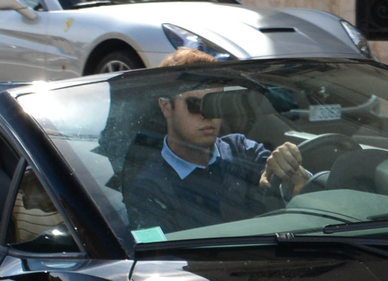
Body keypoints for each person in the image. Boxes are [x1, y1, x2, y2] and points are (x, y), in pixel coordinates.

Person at [121, 50, 310, 233]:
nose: (207, 116)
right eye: (195, 105)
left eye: (216, 103)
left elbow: (281, 187)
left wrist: (294, 176)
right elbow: (163, 260)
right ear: (166, 107)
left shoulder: (243, 150)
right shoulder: (149, 187)